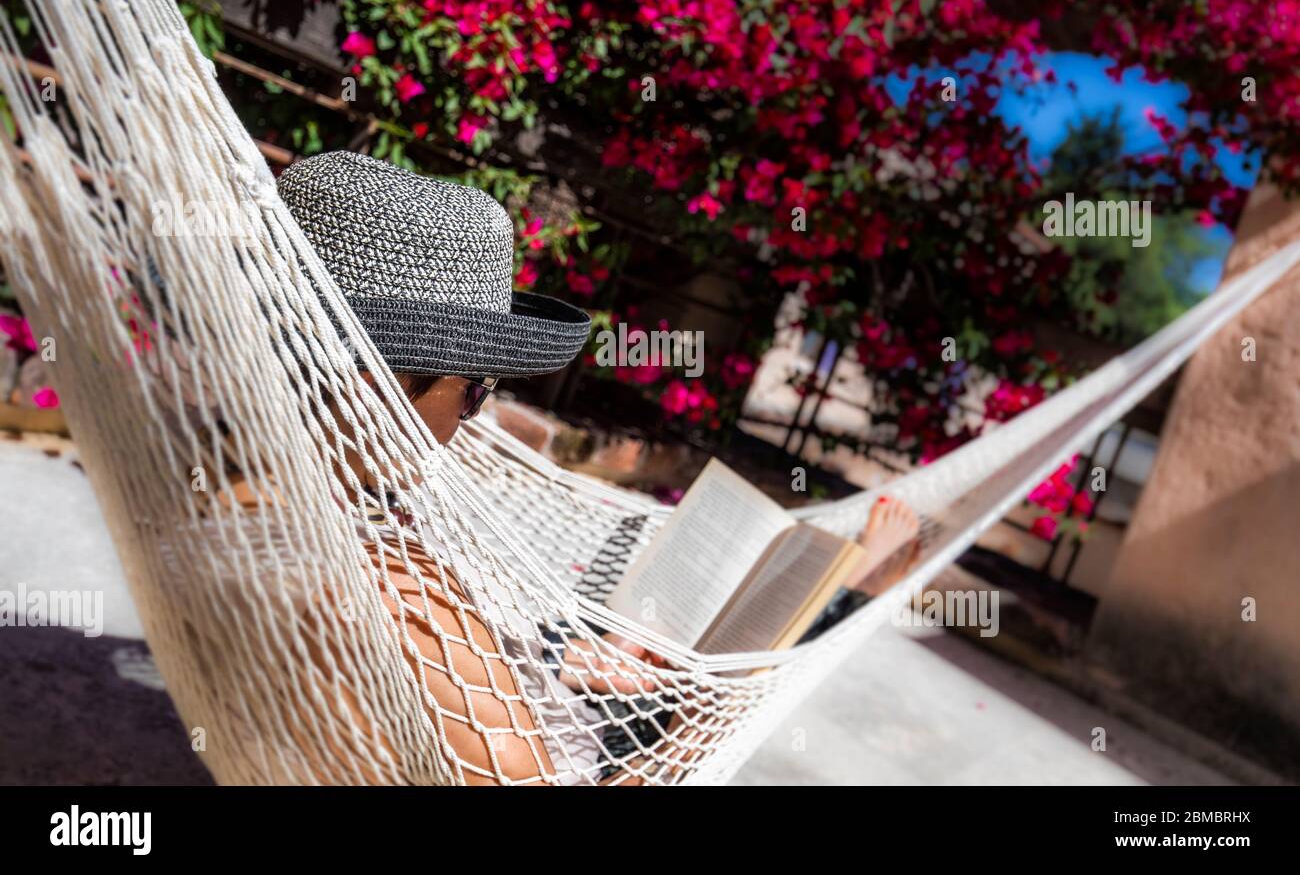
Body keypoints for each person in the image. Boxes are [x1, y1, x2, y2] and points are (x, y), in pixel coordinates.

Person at [272, 151, 922, 785]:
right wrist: (708, 725)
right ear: (369, 387)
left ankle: (814, 600)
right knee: (740, 660)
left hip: (534, 694)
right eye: (474, 389)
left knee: (639, 647)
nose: (472, 416)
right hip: (591, 751)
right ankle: (839, 598)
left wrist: (563, 655)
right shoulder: (397, 598)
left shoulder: (230, 496)